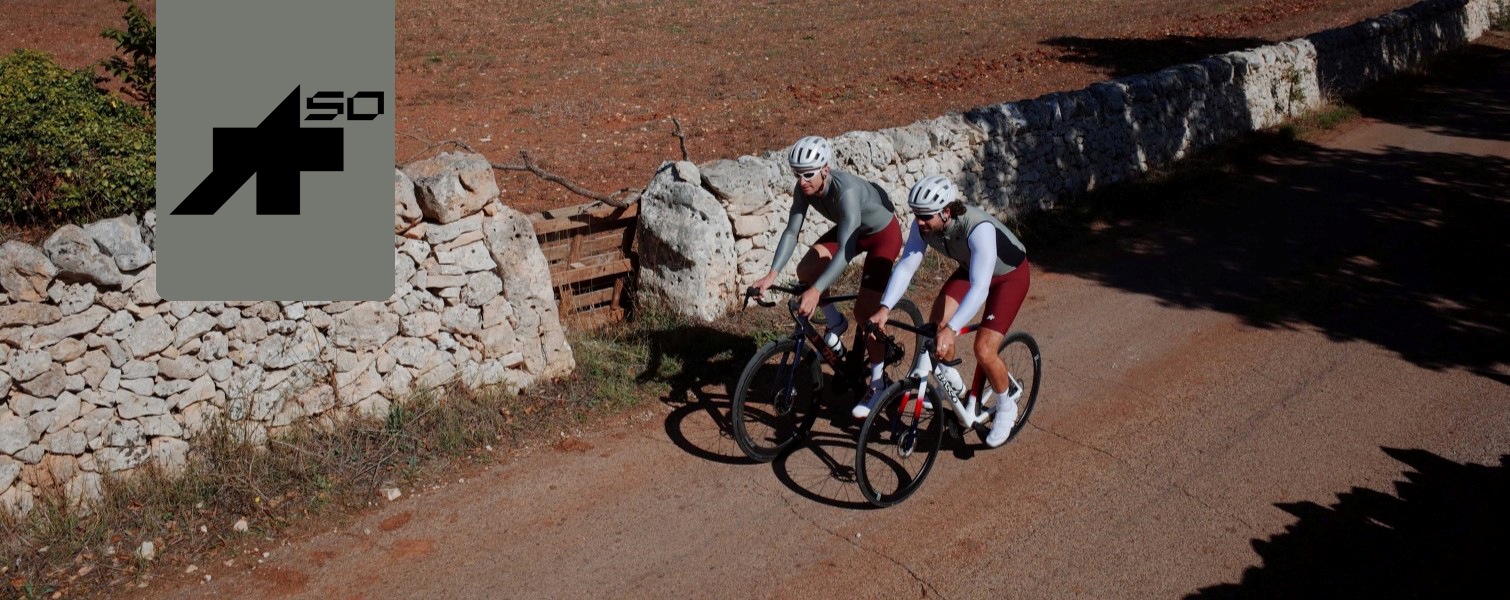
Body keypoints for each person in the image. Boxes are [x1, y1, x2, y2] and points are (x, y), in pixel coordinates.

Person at [866, 174, 1031, 447]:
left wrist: (952, 330)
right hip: (971, 270)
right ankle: (956, 390)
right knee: (935, 327)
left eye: (925, 216)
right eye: (916, 215)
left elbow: (980, 289)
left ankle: (1006, 407)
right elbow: (907, 265)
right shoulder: (925, 225)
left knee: (984, 349)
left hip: (1009, 277)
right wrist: (885, 308)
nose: (919, 222)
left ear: (946, 212)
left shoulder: (978, 229)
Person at [750, 135, 904, 414]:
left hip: (882, 235)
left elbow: (845, 252)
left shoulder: (846, 193)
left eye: (808, 174)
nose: (802, 181)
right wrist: (771, 275)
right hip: (853, 231)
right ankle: (835, 323)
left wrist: (817, 291)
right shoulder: (805, 188)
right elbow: (791, 232)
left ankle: (879, 383)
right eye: (797, 174)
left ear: (825, 169)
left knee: (866, 315)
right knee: (806, 269)